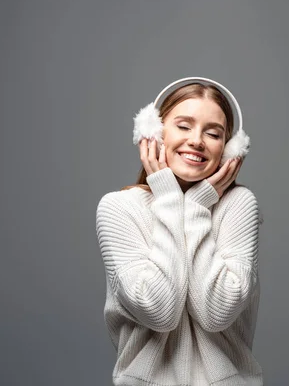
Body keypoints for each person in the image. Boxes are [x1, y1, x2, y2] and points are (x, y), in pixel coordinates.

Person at [95, 79, 263, 385]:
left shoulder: (239, 205)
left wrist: (197, 207)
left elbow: (216, 313)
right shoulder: (119, 208)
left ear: (229, 150)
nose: (197, 141)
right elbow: (159, 310)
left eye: (213, 133)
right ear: (153, 134)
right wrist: (171, 199)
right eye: (183, 126)